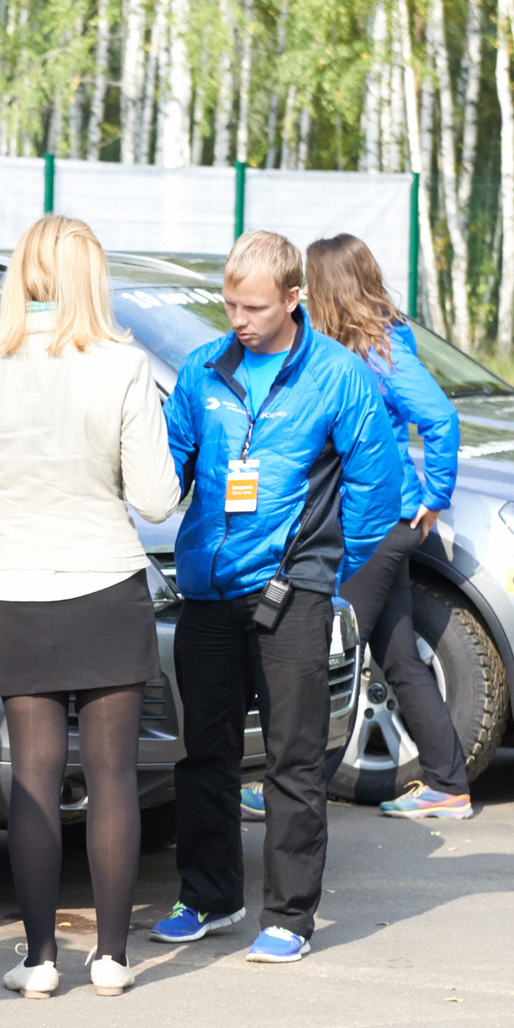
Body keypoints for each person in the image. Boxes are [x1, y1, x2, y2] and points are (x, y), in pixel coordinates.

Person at [0, 215, 180, 997]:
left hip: (13, 590)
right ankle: (111, 956)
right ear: (90, 278)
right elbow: (156, 499)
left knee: (34, 778)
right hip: (106, 585)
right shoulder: (123, 364)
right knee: (113, 776)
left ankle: (40, 959)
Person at [152, 229, 399, 964]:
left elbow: (376, 489)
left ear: (294, 298)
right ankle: (208, 896)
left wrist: (325, 569)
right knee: (205, 753)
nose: (239, 319)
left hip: (293, 594)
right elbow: (165, 471)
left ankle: (290, 915)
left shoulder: (338, 375)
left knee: (293, 758)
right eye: (230, 304)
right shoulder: (201, 370)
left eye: (254, 307)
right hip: (208, 591)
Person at [302, 233, 474, 819]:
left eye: (311, 284)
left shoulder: (381, 352)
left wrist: (435, 497)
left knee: (326, 652)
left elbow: (440, 417)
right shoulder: (356, 347)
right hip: (379, 520)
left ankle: (293, 787)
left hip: (374, 525)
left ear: (329, 288)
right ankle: (448, 784)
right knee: (398, 658)